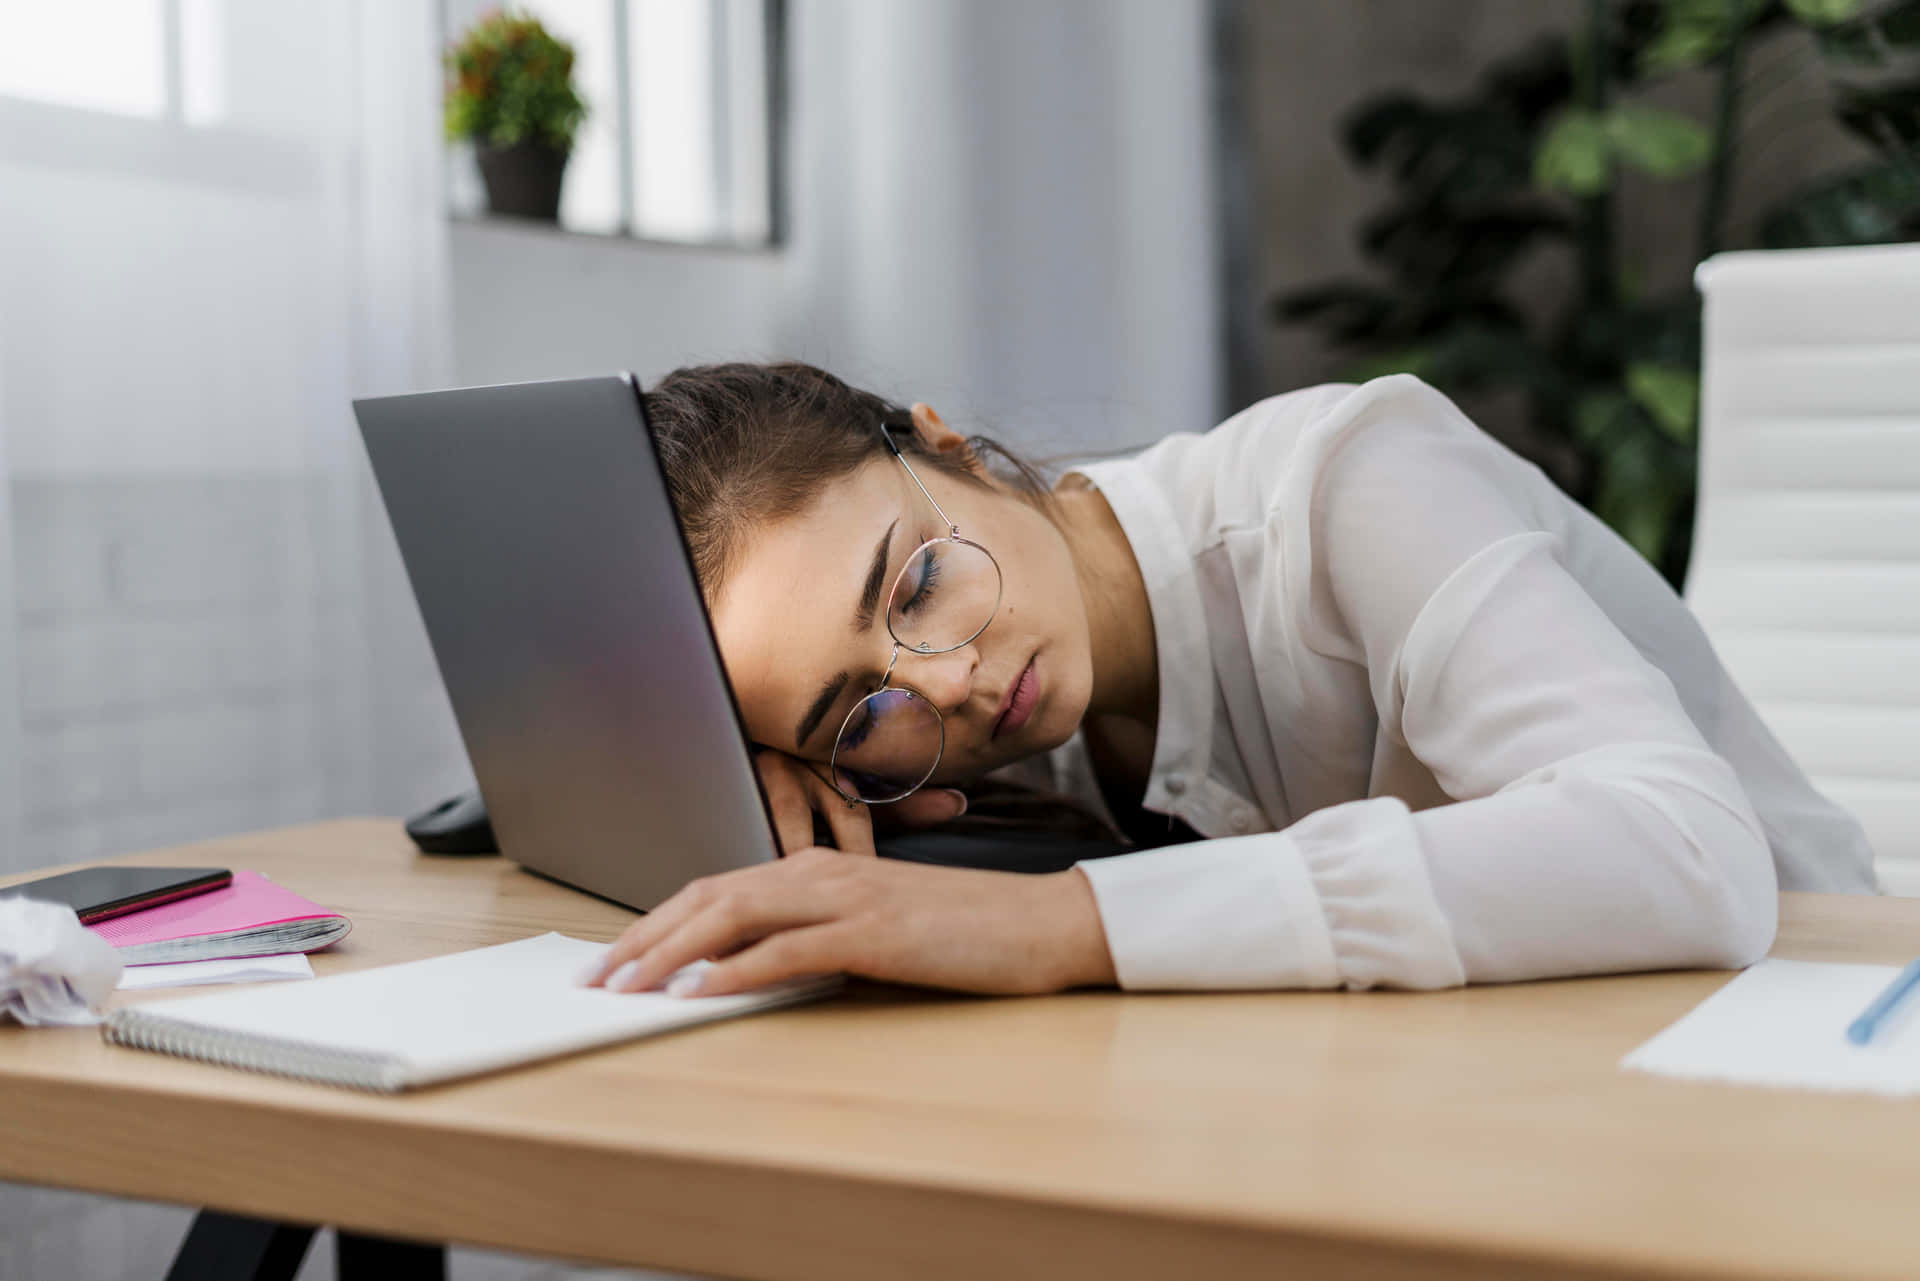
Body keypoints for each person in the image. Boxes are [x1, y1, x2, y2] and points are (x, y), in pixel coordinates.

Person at [582, 362, 1877, 1000]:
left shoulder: (1347, 481)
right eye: (861, 710)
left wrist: (1061, 928)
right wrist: (751, 773)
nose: (956, 681)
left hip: (1814, 1026)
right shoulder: (955, 733)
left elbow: (1692, 850)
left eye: (916, 582)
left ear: (945, 442)